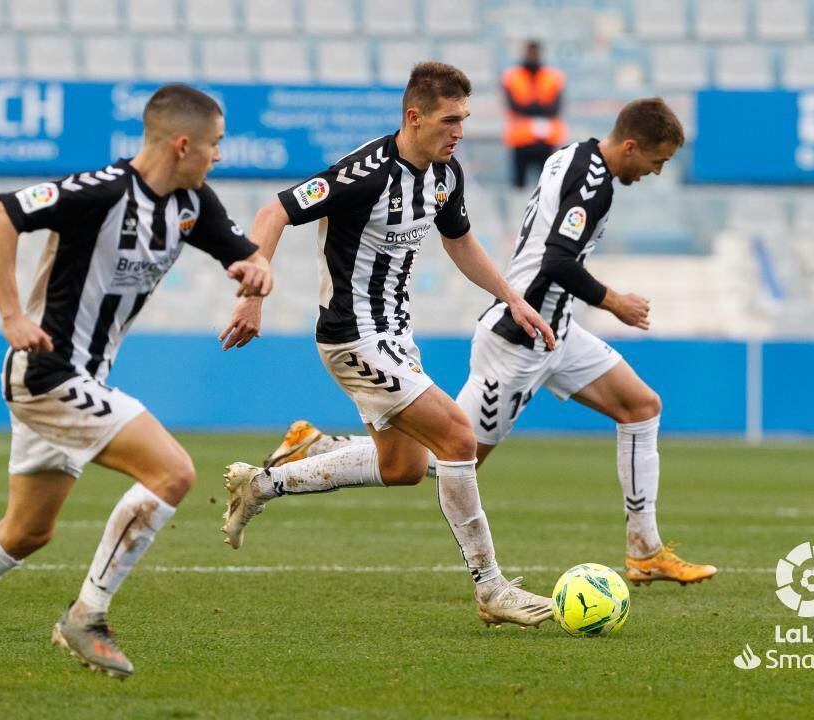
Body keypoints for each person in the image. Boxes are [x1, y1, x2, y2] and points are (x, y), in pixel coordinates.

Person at [0, 83, 272, 689]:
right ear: (182, 143)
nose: (219, 155)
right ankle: (88, 616)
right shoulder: (98, 192)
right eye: (214, 144)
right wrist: (11, 314)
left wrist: (253, 269)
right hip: (47, 374)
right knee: (174, 472)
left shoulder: (191, 203)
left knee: (27, 531)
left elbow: (240, 252)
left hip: (80, 377)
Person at [267, 98, 718, 588]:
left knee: (641, 407)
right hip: (518, 340)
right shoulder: (592, 188)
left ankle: (645, 550)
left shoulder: (570, 156)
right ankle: (320, 448)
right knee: (449, 458)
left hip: (557, 330)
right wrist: (614, 301)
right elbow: (557, 262)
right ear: (631, 146)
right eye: (658, 161)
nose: (656, 171)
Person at [217, 62, 558, 628]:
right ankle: (491, 589)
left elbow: (461, 242)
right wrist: (252, 292)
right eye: (450, 120)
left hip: (396, 337)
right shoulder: (364, 171)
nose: (459, 131)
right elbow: (272, 211)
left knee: (402, 467)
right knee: (458, 437)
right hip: (352, 336)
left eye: (465, 119)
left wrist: (512, 299)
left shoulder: (446, 176)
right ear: (414, 116)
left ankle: (264, 482)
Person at [502, 40, 567, 188]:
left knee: (547, 185)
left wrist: (529, 108)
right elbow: (513, 106)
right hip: (521, 139)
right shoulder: (512, 77)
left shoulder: (553, 77)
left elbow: (555, 109)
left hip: (546, 139)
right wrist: (540, 108)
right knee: (519, 185)